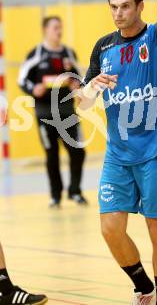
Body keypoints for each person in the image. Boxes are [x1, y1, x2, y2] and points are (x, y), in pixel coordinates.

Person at [79, 0, 157, 304]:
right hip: (118, 154)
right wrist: (88, 89)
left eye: (125, 6)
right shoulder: (103, 47)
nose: (119, 13)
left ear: (140, 6)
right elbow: (82, 104)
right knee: (110, 228)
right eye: (113, 6)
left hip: (156, 151)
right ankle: (143, 286)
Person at [18, 16, 87, 208]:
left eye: (61, 27)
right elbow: (22, 79)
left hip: (67, 112)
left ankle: (75, 191)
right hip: (45, 115)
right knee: (52, 155)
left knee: (78, 152)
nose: (59, 31)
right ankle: (55, 196)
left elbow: (79, 78)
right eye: (55, 27)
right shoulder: (36, 53)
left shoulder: (68, 53)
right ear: (45, 30)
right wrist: (33, 89)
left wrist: (76, 86)